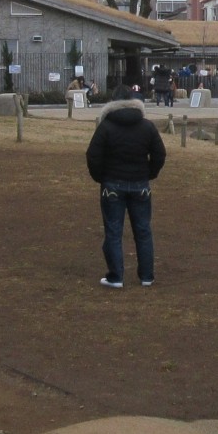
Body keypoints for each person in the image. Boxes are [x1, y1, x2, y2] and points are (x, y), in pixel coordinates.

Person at [84, 86, 166, 288]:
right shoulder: (147, 126)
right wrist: (149, 173)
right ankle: (147, 276)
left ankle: (116, 276)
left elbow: (93, 156)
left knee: (113, 231)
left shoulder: (106, 127)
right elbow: (160, 154)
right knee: (143, 230)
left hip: (112, 183)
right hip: (140, 183)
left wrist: (100, 178)